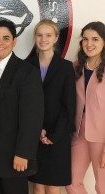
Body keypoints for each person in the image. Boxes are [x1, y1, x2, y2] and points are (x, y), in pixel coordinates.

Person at [0, 20, 44, 194]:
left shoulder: (27, 72)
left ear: (14, 42)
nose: (0, 43)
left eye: (6, 38)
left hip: (14, 156)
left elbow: (32, 117)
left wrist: (24, 153)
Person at [26, 19, 76, 194]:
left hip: (57, 137)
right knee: (37, 187)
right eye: (39, 35)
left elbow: (69, 106)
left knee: (53, 187)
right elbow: (24, 104)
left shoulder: (66, 68)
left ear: (56, 38)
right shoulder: (27, 65)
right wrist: (35, 129)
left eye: (48, 35)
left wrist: (53, 134)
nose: (43, 39)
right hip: (33, 137)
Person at [66, 21, 105, 194]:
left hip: (101, 136)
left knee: (102, 186)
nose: (89, 44)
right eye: (85, 39)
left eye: (95, 39)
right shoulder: (76, 67)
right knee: (71, 181)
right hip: (79, 132)